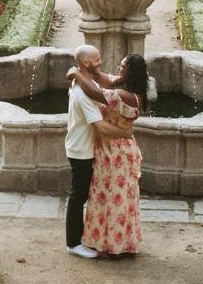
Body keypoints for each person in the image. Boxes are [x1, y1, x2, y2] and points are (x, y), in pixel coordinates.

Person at [75, 53, 150, 257]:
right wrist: (90, 65)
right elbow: (102, 78)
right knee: (109, 195)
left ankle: (115, 245)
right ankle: (113, 242)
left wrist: (75, 73)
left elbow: (94, 91)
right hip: (112, 148)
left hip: (117, 151)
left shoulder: (127, 96)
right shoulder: (126, 87)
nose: (119, 67)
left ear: (130, 71)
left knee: (115, 197)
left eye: (123, 65)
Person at [64, 45, 129, 258]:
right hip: (81, 150)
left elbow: (106, 82)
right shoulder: (83, 93)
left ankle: (81, 239)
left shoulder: (86, 81)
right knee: (78, 196)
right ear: (85, 63)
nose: (100, 63)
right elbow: (100, 127)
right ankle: (73, 244)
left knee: (80, 195)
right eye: (97, 59)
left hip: (82, 146)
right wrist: (125, 132)